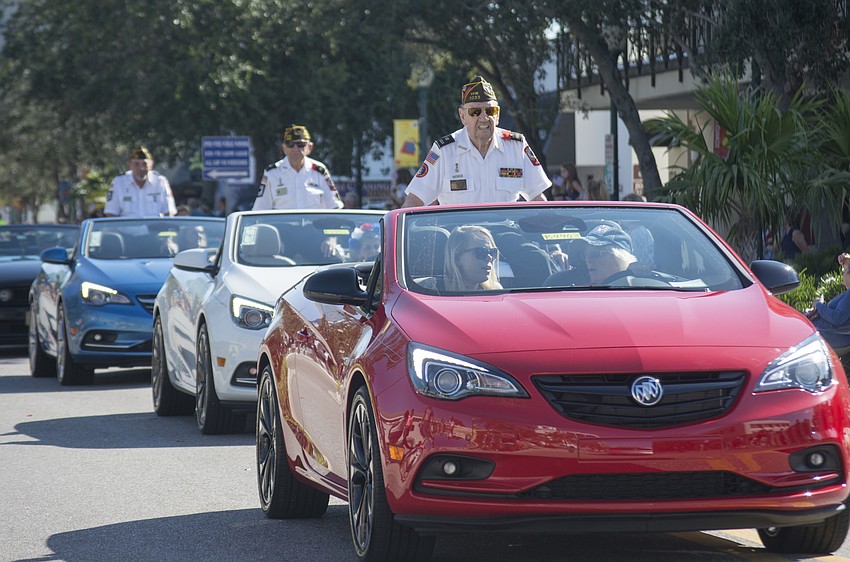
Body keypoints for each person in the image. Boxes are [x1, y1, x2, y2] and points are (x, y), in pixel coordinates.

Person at [402, 75, 550, 207]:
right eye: (475, 112)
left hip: (504, 233)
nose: (484, 118)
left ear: (497, 115)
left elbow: (537, 197)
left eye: (490, 111)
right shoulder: (445, 151)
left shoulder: (516, 146)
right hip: (460, 235)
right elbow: (415, 199)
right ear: (462, 116)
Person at [252, 125, 344, 210]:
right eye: (290, 144)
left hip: (313, 227)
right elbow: (260, 208)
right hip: (283, 227)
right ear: (284, 148)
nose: (295, 149)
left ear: (310, 147)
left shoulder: (319, 171)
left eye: (301, 144)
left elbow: (334, 206)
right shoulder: (272, 173)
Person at [104, 147, 177, 217]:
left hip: (154, 228)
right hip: (127, 229)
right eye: (136, 164)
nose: (141, 168)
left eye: (145, 164)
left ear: (151, 165)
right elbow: (111, 213)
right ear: (129, 165)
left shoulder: (160, 181)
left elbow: (169, 212)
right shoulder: (118, 182)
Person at [808, 253, 850, 351]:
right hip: (831, 336)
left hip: (828, 336)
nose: (842, 274)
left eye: (845, 271)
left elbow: (837, 318)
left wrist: (819, 305)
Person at [442, 226, 502, 291]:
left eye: (492, 252)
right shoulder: (434, 291)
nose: (489, 258)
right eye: (480, 252)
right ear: (457, 258)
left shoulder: (496, 290)